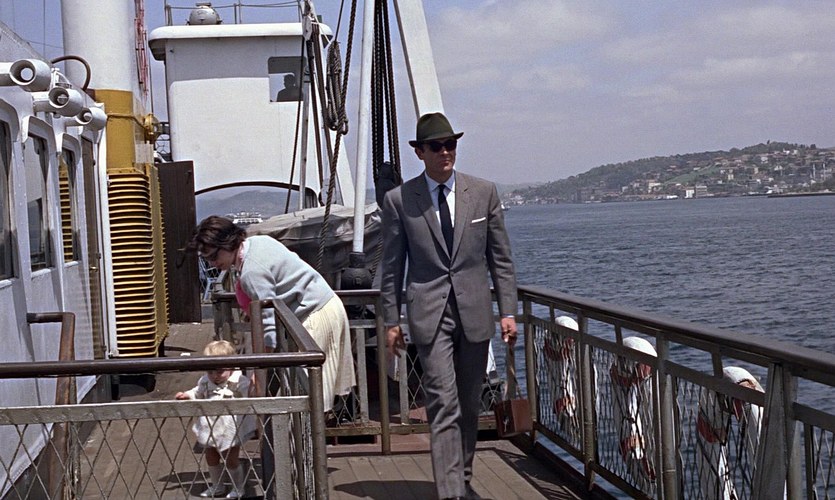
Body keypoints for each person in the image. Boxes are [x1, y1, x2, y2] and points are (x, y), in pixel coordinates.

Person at [380, 112, 518, 500]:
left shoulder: (484, 192)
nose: (445, 152)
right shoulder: (400, 200)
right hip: (429, 313)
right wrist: (391, 321)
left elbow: (501, 259)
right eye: (437, 146)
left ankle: (464, 479)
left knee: (470, 403)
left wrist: (508, 311)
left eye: (450, 144)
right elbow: (391, 267)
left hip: (475, 312)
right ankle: (451, 492)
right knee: (443, 401)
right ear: (420, 152)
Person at [188, 216, 356, 411]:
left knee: (306, 392)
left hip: (314, 314)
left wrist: (259, 371)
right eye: (207, 259)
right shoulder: (259, 242)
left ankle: (313, 428)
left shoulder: (251, 273)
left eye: (213, 256)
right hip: (327, 305)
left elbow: (268, 329)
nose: (212, 263)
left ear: (226, 244)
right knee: (313, 388)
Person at [176, 340, 254, 499]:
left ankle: (238, 487)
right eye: (210, 371)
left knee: (231, 459)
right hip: (210, 426)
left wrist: (253, 387)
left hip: (230, 428)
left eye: (219, 371)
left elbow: (251, 394)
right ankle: (217, 485)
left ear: (231, 367)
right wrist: (187, 395)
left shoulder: (239, 382)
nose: (214, 376)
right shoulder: (205, 381)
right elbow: (197, 391)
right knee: (211, 457)